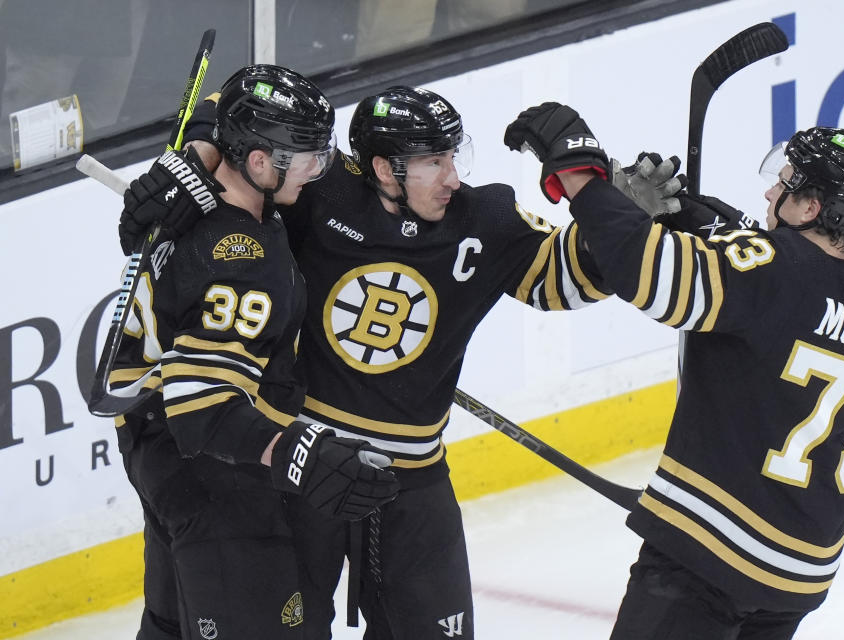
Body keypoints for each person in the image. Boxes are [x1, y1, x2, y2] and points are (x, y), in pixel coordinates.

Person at [115, 83, 685, 638]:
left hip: (411, 478)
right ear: (385, 168)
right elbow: (244, 104)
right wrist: (190, 164)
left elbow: (562, 280)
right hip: (303, 466)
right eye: (433, 161)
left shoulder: (484, 218)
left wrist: (618, 225)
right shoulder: (315, 190)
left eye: (453, 156)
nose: (453, 177)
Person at [503, 102, 844, 639]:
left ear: (809, 207)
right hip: (803, 567)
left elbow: (653, 276)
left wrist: (583, 177)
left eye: (784, 184)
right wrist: (693, 214)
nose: (768, 194)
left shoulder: (773, 270)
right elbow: (770, 271)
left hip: (715, 553)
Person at [108, 64, 399, 640]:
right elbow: (203, 410)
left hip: (154, 451)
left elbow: (236, 94)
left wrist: (197, 147)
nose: (317, 171)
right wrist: (302, 453)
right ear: (260, 162)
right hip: (215, 476)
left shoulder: (192, 196)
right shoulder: (240, 259)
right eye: (307, 156)